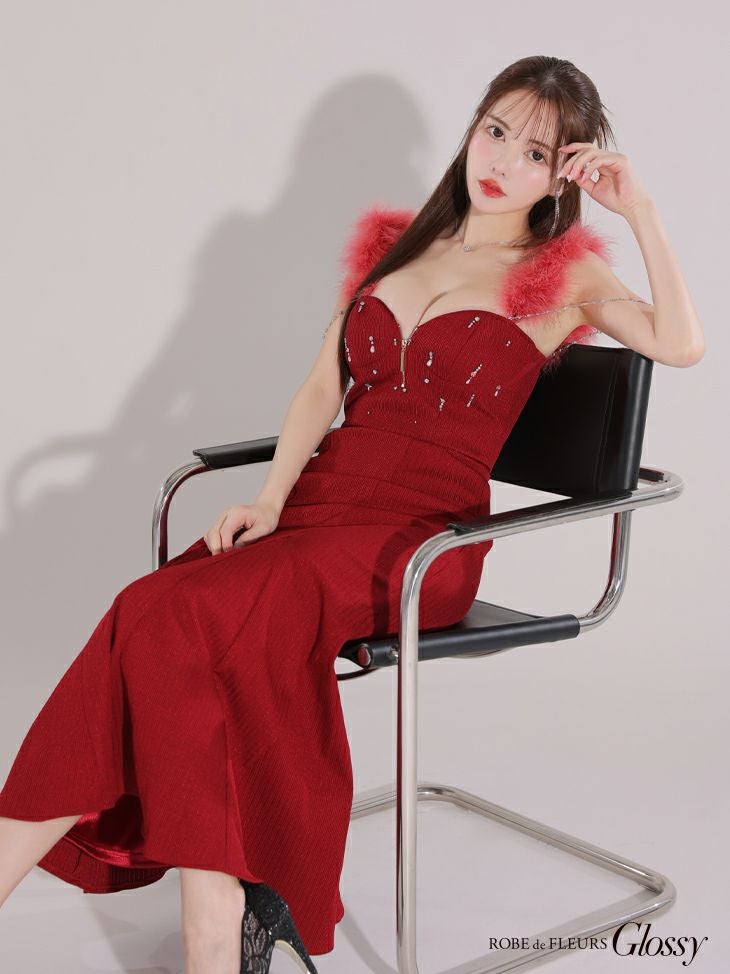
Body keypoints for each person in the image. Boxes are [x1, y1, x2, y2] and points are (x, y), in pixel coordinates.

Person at [0, 55, 704, 974]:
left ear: (561, 174)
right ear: (471, 128)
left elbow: (680, 344)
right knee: (154, 611)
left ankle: (193, 916)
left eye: (535, 153)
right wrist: (269, 499)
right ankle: (214, 904)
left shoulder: (560, 274)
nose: (502, 161)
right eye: (495, 131)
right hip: (318, 510)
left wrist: (639, 209)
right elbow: (320, 388)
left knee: (174, 614)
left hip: (422, 542)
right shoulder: (397, 245)